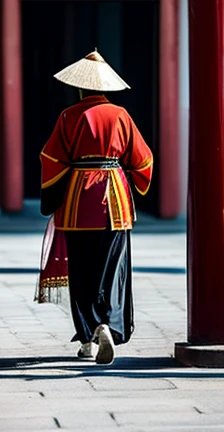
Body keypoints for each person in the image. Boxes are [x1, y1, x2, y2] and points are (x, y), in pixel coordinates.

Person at [40, 50, 153, 364]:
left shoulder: (68, 116)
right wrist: (132, 180)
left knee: (81, 269)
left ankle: (89, 335)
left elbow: (50, 158)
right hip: (113, 199)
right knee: (111, 268)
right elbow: (143, 159)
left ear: (79, 88)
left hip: (77, 199)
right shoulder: (120, 115)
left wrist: (51, 198)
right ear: (105, 87)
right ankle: (106, 323)